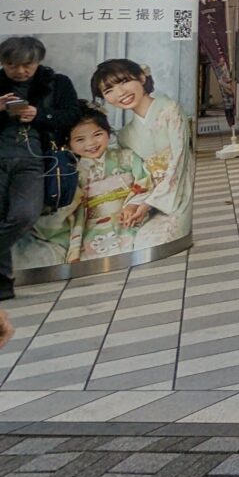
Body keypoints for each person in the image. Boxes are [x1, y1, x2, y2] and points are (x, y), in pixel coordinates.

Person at [0, 36, 80, 299]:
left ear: (38, 61)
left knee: (25, 214)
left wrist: (40, 115)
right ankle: (3, 283)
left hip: (35, 159)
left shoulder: (56, 82)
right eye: (12, 65)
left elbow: (72, 115)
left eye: (28, 65)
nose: (20, 71)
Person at [91, 60, 192, 248]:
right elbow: (139, 178)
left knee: (154, 240)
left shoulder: (170, 110)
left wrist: (148, 204)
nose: (120, 93)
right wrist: (133, 205)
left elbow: (181, 162)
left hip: (180, 193)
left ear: (142, 78)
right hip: (149, 199)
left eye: (124, 82)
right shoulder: (125, 135)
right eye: (109, 90)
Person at [62, 106, 151, 262]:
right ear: (68, 144)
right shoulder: (72, 171)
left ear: (108, 133)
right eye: (80, 139)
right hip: (93, 226)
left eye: (97, 134)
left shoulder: (126, 157)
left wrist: (132, 205)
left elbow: (144, 180)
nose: (91, 143)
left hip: (129, 215)